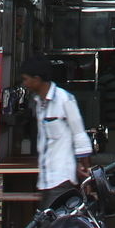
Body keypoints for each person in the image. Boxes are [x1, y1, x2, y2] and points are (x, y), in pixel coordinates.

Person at [17, 57, 91, 199]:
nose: (24, 84)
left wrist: (85, 172)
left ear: (37, 79)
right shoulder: (38, 103)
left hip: (61, 179)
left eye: (26, 79)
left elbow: (80, 136)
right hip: (45, 180)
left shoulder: (65, 99)